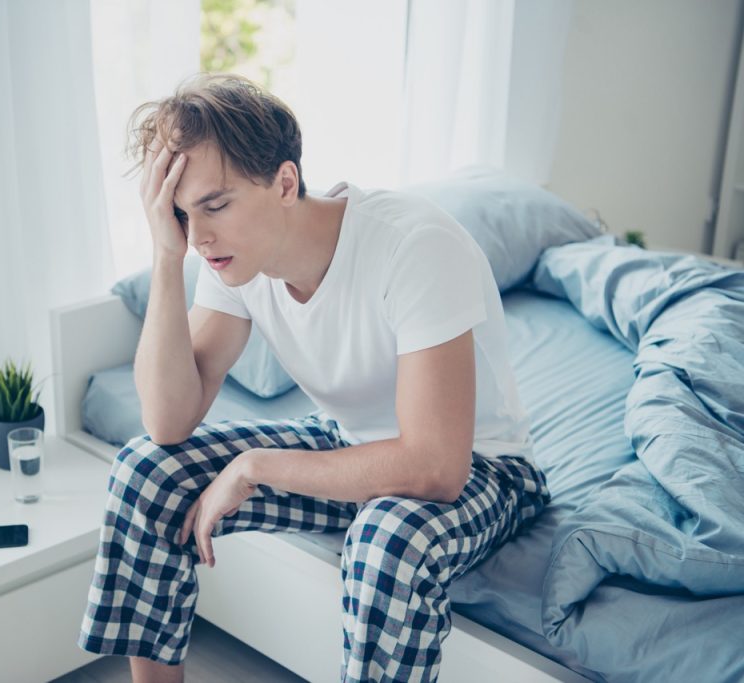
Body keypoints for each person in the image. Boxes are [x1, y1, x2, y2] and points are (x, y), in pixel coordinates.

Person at [76, 72, 550, 683]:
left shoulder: (414, 246)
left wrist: (255, 467)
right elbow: (167, 422)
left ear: (285, 182)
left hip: (488, 470)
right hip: (348, 445)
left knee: (388, 540)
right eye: (181, 213)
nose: (200, 235)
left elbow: (435, 467)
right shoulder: (227, 258)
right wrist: (167, 258)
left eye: (215, 205)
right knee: (146, 472)